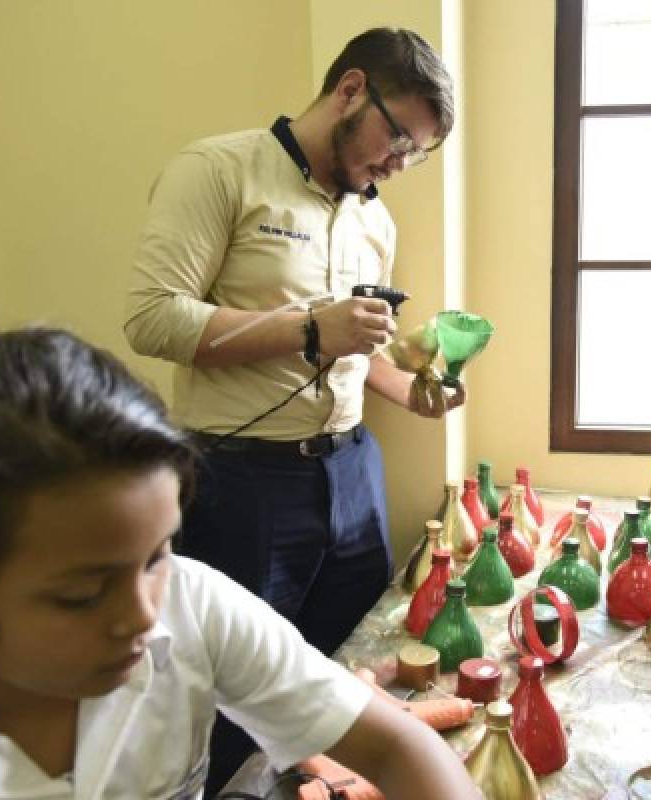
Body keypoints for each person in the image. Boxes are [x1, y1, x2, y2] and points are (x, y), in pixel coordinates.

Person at [0, 328, 480, 800]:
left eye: (157, 554)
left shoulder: (193, 604)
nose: (144, 615)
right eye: (82, 595)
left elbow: (398, 748)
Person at [124, 28, 463, 791]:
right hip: (241, 480)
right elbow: (151, 319)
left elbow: (356, 346)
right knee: (228, 695)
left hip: (352, 468)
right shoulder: (218, 169)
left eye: (417, 155)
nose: (398, 165)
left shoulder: (375, 220)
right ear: (350, 90)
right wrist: (311, 328)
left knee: (345, 672)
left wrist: (414, 391)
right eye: (398, 137)